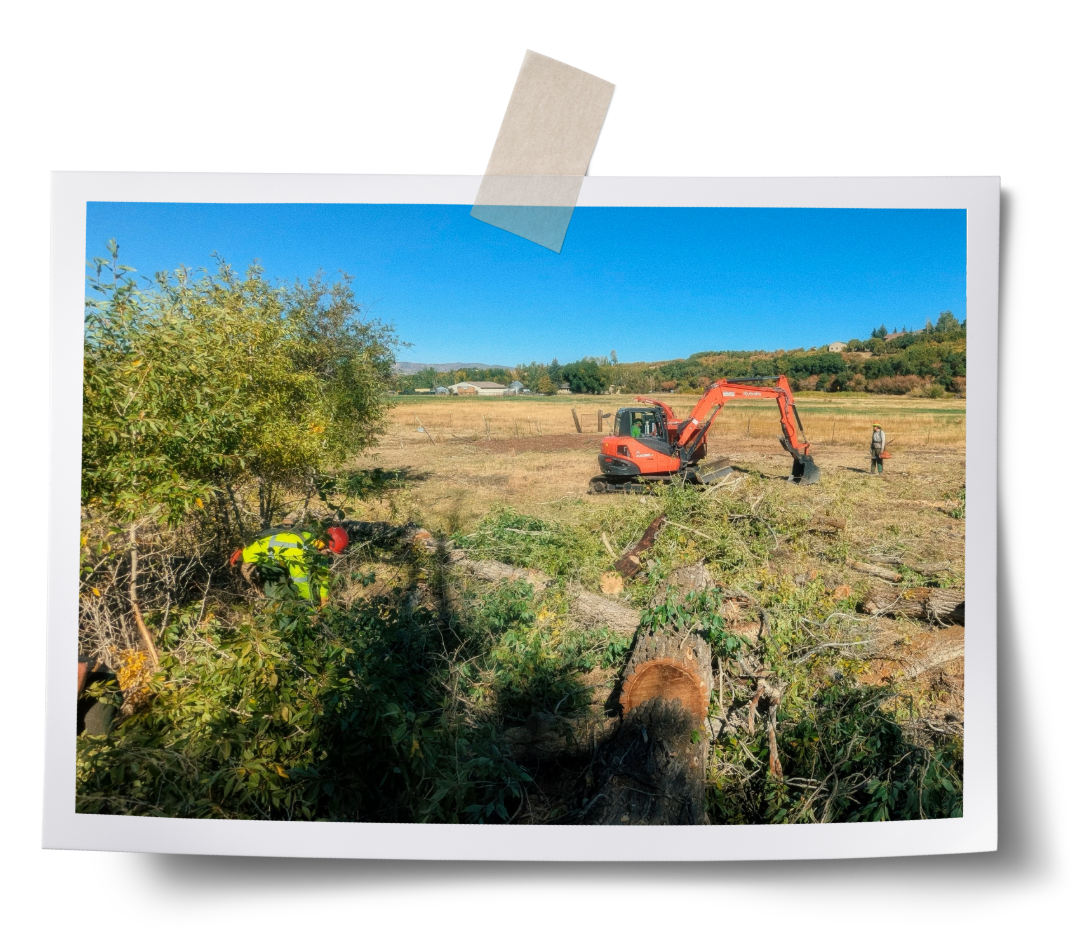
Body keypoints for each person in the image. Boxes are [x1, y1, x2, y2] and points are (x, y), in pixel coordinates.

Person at [230, 518, 349, 607]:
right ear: (323, 543)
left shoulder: (317, 547)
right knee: (281, 597)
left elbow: (323, 574)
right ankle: (277, 632)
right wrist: (312, 608)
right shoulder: (300, 550)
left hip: (277, 562)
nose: (330, 556)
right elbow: (302, 584)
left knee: (292, 593)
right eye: (330, 552)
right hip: (252, 561)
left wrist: (324, 599)